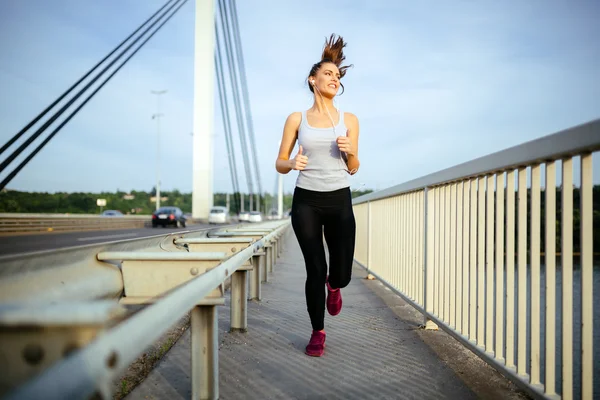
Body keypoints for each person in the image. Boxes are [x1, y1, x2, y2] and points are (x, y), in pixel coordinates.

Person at [275, 34, 360, 357]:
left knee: (341, 274)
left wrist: (351, 152)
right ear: (313, 80)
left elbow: (354, 167)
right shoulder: (296, 119)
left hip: (339, 200)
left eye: (337, 76)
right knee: (315, 268)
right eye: (328, 74)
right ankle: (317, 331)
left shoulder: (349, 120)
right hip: (306, 201)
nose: (334, 79)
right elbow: (280, 162)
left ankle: (334, 287)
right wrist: (291, 162)